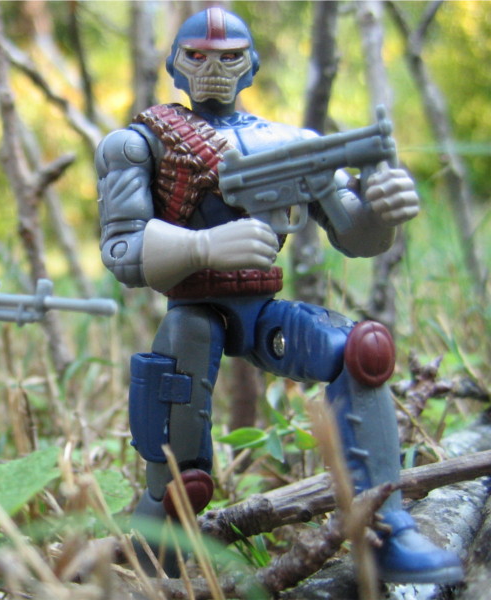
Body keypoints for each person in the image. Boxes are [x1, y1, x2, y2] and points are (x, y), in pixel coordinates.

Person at [94, 7, 462, 584]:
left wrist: (382, 210)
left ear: (251, 65)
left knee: (363, 352)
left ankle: (384, 525)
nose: (214, 69)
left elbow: (355, 236)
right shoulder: (140, 144)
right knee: (183, 466)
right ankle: (158, 543)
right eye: (197, 56)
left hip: (263, 309)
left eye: (230, 57)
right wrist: (204, 247)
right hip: (194, 310)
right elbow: (121, 250)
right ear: (174, 63)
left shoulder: (292, 143)